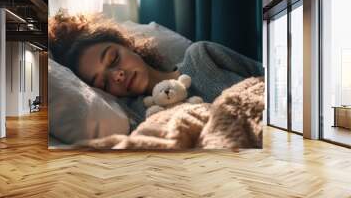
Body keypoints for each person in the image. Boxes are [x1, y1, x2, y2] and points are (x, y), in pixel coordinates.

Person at [49, 12, 264, 129]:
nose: (117, 75)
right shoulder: (135, 114)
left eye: (113, 59)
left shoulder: (201, 55)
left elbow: (269, 80)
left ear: (127, 44)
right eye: (104, 83)